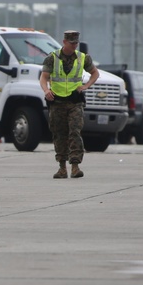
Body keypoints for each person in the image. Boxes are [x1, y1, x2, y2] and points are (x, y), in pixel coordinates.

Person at [39, 30, 99, 178]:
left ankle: (75, 166)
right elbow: (43, 77)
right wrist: (46, 90)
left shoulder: (82, 58)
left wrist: (86, 86)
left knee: (75, 131)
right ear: (64, 42)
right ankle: (62, 167)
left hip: (75, 102)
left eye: (76, 43)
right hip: (57, 102)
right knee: (59, 134)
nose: (74, 46)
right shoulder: (52, 58)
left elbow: (95, 73)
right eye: (72, 43)